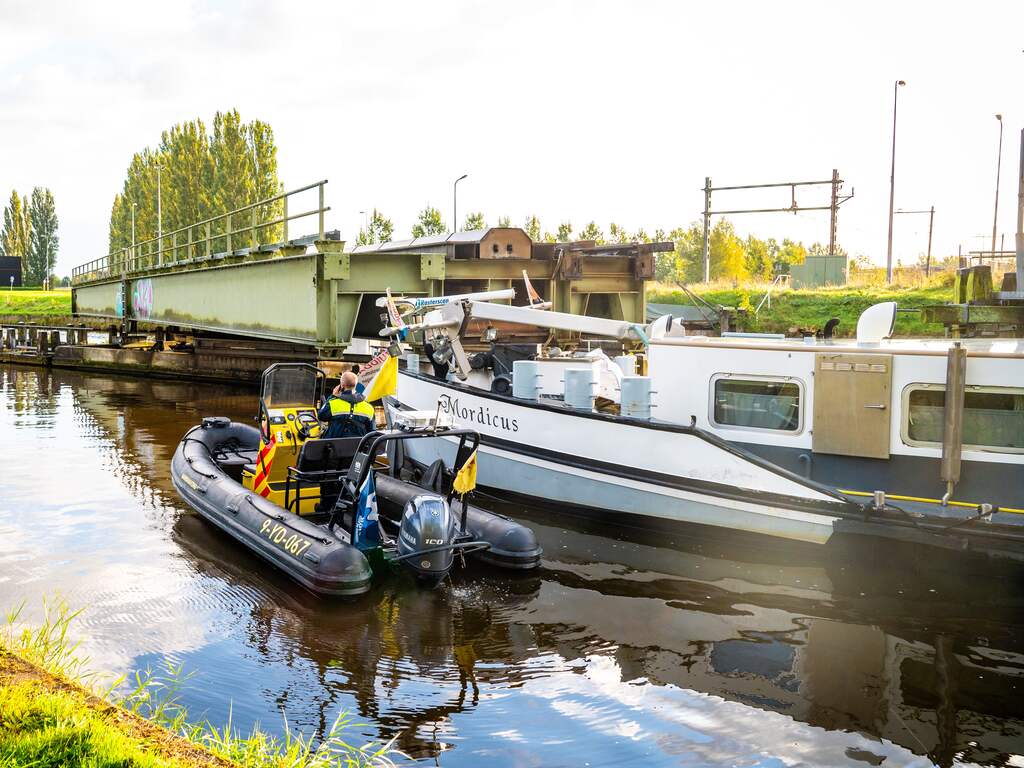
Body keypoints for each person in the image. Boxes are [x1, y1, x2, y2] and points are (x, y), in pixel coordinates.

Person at [317, 371, 375, 438]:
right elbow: (372, 432)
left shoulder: (333, 403)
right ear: (356, 385)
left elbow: (321, 416)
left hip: (334, 446)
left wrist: (332, 396)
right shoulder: (369, 407)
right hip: (358, 447)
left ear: (341, 385)